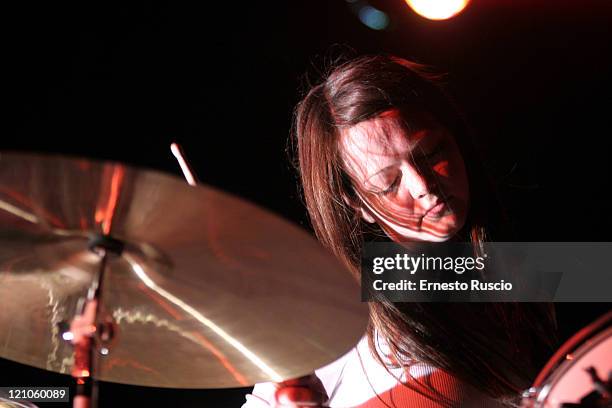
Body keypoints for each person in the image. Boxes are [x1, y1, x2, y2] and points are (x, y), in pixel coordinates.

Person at [242, 55, 558, 407]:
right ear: (357, 204)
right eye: (388, 183)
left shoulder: (528, 263)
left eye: (432, 151)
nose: (423, 185)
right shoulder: (332, 313)